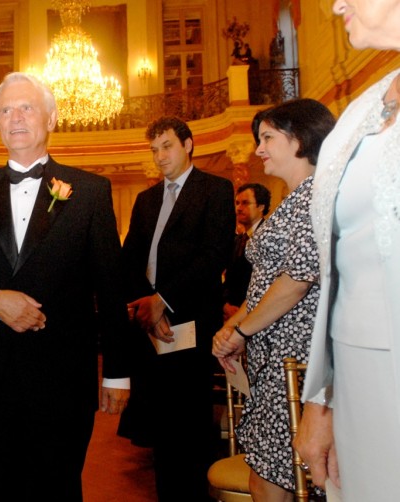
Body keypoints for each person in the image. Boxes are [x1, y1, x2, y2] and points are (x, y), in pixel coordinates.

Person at [0, 72, 131, 502]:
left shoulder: (91, 192)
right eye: (5, 110)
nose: (15, 118)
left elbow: (110, 287)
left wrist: (116, 373)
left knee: (57, 491)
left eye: (26, 108)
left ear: (52, 118)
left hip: (62, 379)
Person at [294, 2, 400, 500]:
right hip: (356, 383)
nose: (335, 4)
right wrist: (321, 402)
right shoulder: (362, 110)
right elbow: (336, 273)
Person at [213, 99, 336, 501]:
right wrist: (235, 330)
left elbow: (297, 280)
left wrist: (243, 329)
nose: (259, 148)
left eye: (267, 137)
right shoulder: (295, 197)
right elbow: (267, 285)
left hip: (293, 359)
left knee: (274, 478)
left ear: (299, 137)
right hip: (273, 356)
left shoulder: (317, 193)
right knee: (268, 472)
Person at [119, 116, 235, 501]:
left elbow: (213, 255)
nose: (159, 156)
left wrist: (162, 300)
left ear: (188, 145)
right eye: (153, 150)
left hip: (190, 323)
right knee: (160, 430)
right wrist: (145, 307)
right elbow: (131, 257)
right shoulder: (146, 199)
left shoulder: (215, 189)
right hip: (151, 327)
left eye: (166, 146)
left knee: (191, 428)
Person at [222, 183, 271, 321]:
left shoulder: (269, 237)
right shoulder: (238, 240)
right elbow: (229, 278)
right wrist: (225, 305)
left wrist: (243, 312)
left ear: (261, 207)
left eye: (245, 203)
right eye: (237, 203)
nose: (238, 208)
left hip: (258, 316)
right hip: (232, 314)